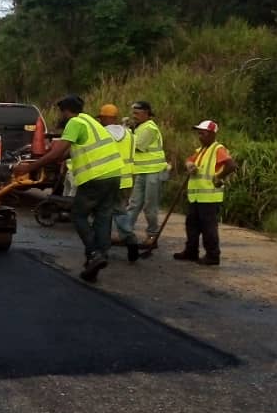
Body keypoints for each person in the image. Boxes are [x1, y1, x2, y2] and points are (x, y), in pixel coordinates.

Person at [15, 96, 123, 282]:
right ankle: (99, 257)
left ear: (67, 111)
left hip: (94, 177)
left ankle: (94, 253)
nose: (61, 116)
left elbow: (58, 151)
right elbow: (67, 152)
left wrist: (29, 167)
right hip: (113, 175)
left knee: (78, 215)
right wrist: (58, 158)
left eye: (61, 112)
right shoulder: (91, 122)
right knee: (103, 216)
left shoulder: (74, 122)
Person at [175, 120, 237, 266]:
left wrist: (219, 177)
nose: (200, 137)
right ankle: (191, 252)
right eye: (199, 134)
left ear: (212, 134)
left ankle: (213, 256)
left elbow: (231, 165)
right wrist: (189, 164)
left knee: (208, 227)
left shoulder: (217, 149)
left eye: (202, 133)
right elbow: (189, 159)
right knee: (192, 225)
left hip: (209, 196)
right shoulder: (201, 150)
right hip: (196, 196)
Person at [98, 104, 140, 262]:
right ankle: (130, 240)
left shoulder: (103, 134)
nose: (100, 120)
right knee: (120, 211)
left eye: (101, 117)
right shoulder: (129, 133)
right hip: (127, 180)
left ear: (106, 118)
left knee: (103, 214)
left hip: (109, 179)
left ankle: (104, 247)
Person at [125, 101, 167, 246]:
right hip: (142, 171)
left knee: (150, 206)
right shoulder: (140, 127)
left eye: (137, 113)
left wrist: (125, 133)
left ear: (146, 113)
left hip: (154, 171)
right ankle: (126, 232)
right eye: (133, 113)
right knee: (134, 203)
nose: (134, 116)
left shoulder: (149, 128)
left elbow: (138, 146)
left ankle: (152, 235)